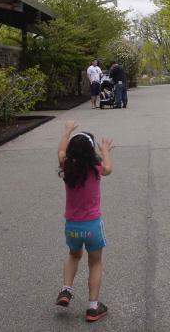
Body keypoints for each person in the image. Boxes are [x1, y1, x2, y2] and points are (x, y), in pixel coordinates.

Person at [55, 121, 113, 323]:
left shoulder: (66, 167)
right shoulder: (95, 169)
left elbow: (61, 151)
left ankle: (66, 290)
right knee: (95, 262)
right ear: (91, 151)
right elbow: (108, 168)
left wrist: (67, 131)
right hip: (92, 226)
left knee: (73, 255)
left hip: (72, 226)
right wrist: (105, 150)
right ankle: (93, 307)